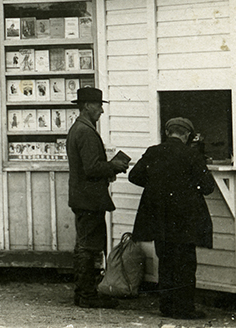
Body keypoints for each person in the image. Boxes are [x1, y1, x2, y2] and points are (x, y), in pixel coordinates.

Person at [128, 116, 215, 320]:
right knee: (185, 263)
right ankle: (184, 309)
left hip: (159, 217)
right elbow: (208, 187)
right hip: (185, 219)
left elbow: (134, 176)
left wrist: (156, 187)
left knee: (165, 261)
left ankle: (167, 306)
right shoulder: (192, 155)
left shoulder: (153, 152)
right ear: (186, 135)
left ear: (168, 133)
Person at [66, 86, 130, 308]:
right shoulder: (86, 131)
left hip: (83, 197)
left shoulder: (79, 128)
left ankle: (83, 292)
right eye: (99, 105)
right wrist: (114, 165)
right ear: (87, 106)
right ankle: (87, 295)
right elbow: (92, 168)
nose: (101, 110)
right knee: (88, 246)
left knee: (84, 244)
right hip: (89, 198)